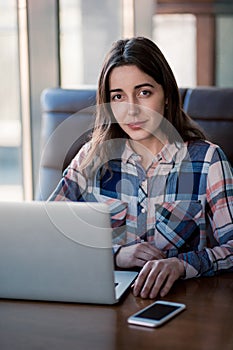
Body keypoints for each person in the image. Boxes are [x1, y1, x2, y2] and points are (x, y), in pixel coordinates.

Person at [49, 37, 233, 299]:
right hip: (104, 302)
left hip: (182, 308)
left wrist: (182, 265)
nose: (131, 110)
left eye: (144, 92)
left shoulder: (207, 161)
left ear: (167, 96)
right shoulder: (91, 158)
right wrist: (115, 255)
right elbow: (48, 235)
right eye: (118, 97)